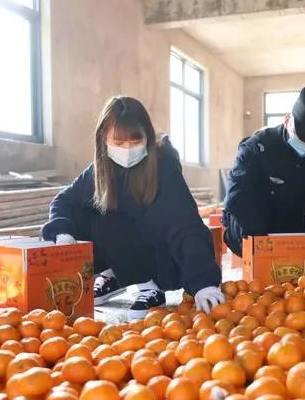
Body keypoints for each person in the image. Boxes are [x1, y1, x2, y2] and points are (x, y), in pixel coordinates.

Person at [41, 96, 225, 319]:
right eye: (119, 143)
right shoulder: (102, 167)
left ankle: (150, 288)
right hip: (127, 249)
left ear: (147, 137)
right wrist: (62, 233)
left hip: (162, 257)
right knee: (84, 213)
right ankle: (116, 274)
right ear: (103, 138)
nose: (127, 150)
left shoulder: (163, 167)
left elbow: (185, 223)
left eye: (135, 141)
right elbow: (64, 201)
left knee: (109, 222)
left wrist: (203, 282)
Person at [222, 86, 305, 256]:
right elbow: (236, 197)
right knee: (247, 228)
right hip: (257, 219)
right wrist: (263, 239)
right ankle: (261, 259)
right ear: (287, 120)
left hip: (293, 219)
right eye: (302, 139)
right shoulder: (257, 148)